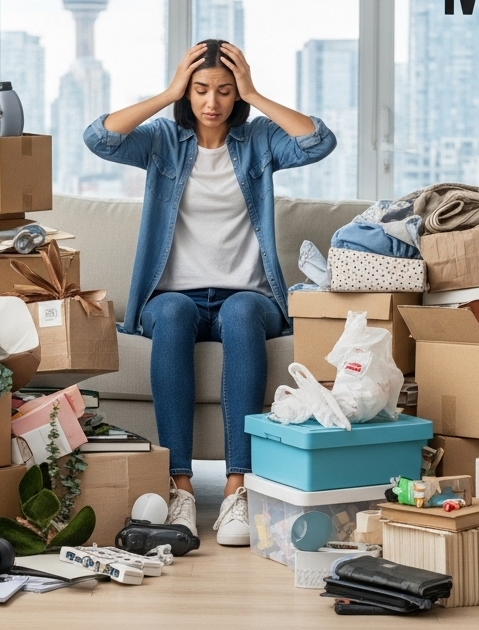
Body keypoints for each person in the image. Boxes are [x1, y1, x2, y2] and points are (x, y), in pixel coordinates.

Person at [84, 40, 336, 546]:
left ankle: (236, 490)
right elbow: (99, 139)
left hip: (248, 294)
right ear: (188, 90)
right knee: (173, 314)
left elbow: (318, 142)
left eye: (224, 90)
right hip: (173, 296)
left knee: (243, 313)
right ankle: (178, 487)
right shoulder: (163, 141)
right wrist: (169, 90)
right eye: (200, 89)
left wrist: (256, 93)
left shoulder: (258, 140)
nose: (212, 102)